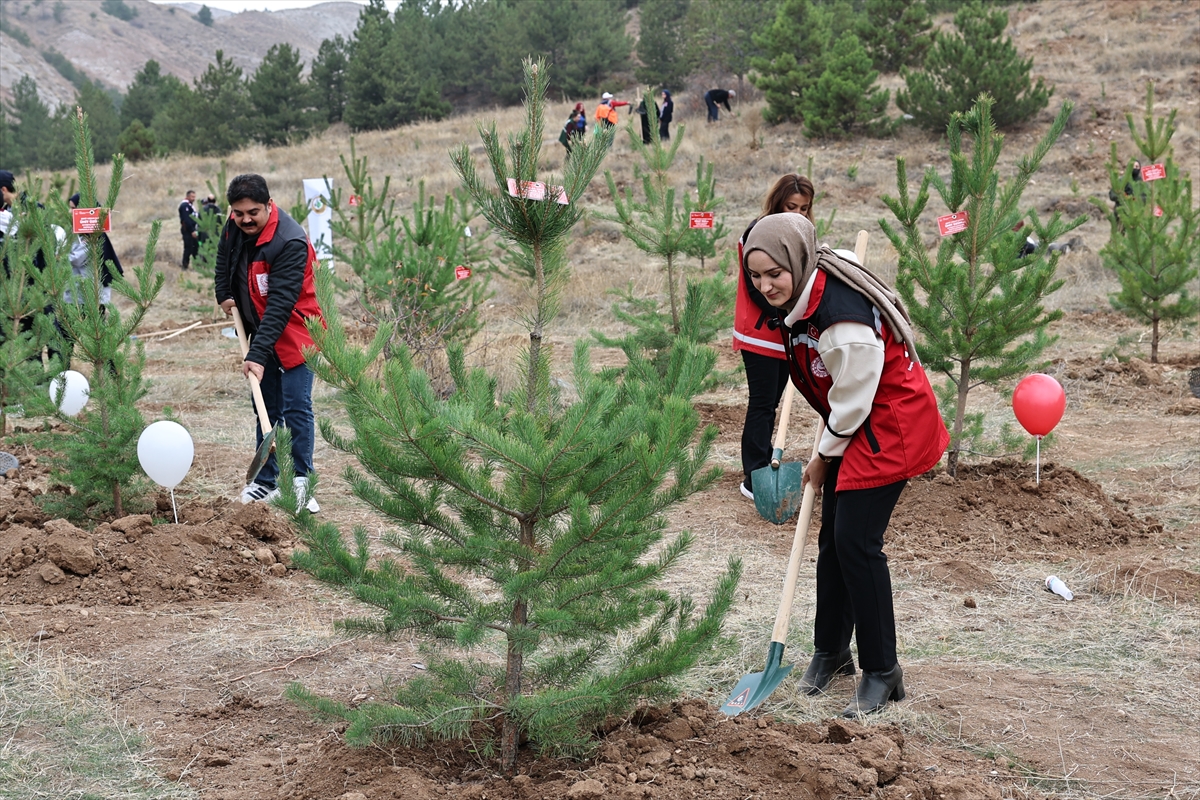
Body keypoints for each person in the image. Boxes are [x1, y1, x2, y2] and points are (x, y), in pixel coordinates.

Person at [742, 213, 949, 718]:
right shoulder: (809, 291)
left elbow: (855, 400)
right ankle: (832, 651)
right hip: (857, 420)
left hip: (890, 427)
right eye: (756, 276)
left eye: (775, 274)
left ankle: (883, 671)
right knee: (833, 537)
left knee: (857, 542)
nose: (766, 285)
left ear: (797, 260)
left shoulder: (844, 321)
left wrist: (820, 457)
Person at [214, 174, 325, 513]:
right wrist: (224, 293)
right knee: (265, 408)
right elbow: (224, 261)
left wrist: (258, 354)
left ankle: (301, 483)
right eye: (238, 212)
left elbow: (281, 303)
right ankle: (265, 482)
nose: (245, 219)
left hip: (296, 330)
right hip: (257, 327)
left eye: (253, 212)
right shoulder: (234, 226)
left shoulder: (289, 240)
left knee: (294, 407)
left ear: (269, 205)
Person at [734, 174, 816, 500]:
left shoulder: (795, 234)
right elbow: (759, 289)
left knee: (773, 402)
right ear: (778, 202)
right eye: (791, 206)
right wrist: (780, 314)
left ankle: (766, 457)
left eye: (805, 208)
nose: (798, 213)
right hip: (761, 332)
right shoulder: (760, 233)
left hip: (785, 332)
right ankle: (753, 475)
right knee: (763, 403)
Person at [178, 189, 198, 270]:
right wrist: (192, 230)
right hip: (188, 230)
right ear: (188, 196)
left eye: (194, 197)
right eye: (192, 197)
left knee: (195, 247)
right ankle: (185, 265)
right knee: (188, 248)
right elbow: (186, 220)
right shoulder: (184, 206)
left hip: (193, 229)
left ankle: (197, 266)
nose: (194, 198)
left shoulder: (190, 205)